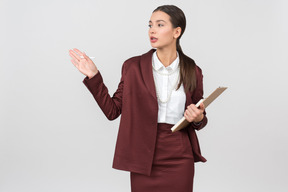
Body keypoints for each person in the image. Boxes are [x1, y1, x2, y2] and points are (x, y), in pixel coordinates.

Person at [69, 5, 208, 192]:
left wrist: (198, 118)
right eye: (150, 25)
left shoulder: (192, 70)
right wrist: (94, 77)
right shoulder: (133, 67)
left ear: (177, 31)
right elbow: (112, 111)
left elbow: (200, 115)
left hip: (180, 155)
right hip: (144, 156)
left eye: (160, 25)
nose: (152, 30)